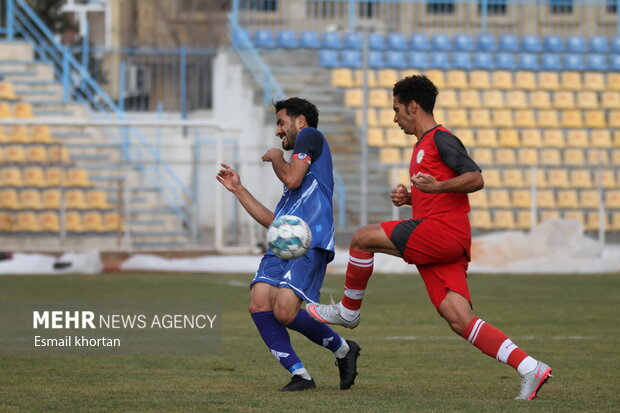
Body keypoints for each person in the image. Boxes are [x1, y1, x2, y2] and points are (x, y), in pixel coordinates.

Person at [306, 76, 552, 400]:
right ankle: (530, 368)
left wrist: (436, 187)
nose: (394, 118)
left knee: (362, 238)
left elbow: (475, 178)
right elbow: (439, 191)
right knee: (458, 319)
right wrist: (411, 197)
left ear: (413, 106)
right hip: (445, 238)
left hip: (442, 232)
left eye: (396, 110)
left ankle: (349, 311)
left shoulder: (441, 139)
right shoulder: (421, 146)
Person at [216, 97, 360, 392]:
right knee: (259, 303)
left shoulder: (311, 137)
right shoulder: (297, 174)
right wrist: (239, 189)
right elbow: (275, 222)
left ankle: (344, 350)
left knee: (284, 311)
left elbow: (293, 178)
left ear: (300, 121)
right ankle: (300, 375)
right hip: (285, 243)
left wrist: (276, 158)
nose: (278, 132)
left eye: (281, 123)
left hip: (311, 242)